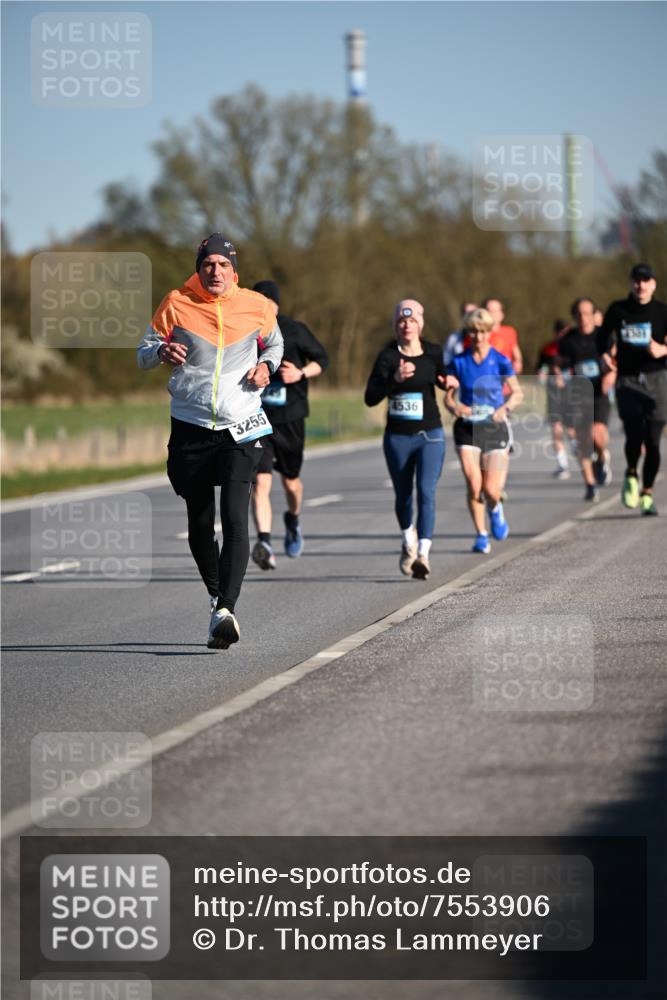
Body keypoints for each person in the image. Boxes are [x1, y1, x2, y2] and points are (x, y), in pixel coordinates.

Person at [137, 233, 283, 648]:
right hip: (191, 424)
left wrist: (267, 366)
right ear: (198, 268)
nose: (214, 271)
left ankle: (226, 610)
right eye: (207, 265)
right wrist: (161, 353)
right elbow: (143, 352)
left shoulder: (256, 305)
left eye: (222, 265)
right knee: (200, 523)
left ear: (234, 270)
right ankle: (216, 597)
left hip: (240, 424)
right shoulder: (176, 303)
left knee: (236, 517)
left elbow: (275, 343)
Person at [365, 299, 450, 579]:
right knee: (403, 495)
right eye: (402, 321)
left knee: (426, 491)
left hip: (430, 434)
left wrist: (450, 382)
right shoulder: (388, 357)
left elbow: (444, 377)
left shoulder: (434, 353)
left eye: (412, 321)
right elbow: (370, 398)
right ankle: (408, 540)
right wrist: (395, 379)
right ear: (395, 326)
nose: (407, 325)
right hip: (398, 438)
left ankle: (423, 554)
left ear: (420, 325)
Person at [250, 280, 329, 569]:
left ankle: (293, 519)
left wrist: (301, 372)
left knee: (291, 483)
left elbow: (323, 360)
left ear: (275, 304)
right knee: (260, 481)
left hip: (291, 418)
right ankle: (265, 543)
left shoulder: (295, 330)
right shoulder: (245, 332)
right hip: (258, 419)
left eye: (264, 302)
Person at [445, 308, 523, 554]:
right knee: (473, 483)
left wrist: (504, 409)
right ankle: (480, 534)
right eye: (473, 332)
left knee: (490, 490)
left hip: (494, 427)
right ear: (468, 333)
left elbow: (517, 393)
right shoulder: (458, 361)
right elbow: (447, 398)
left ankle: (496, 509)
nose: (477, 336)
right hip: (467, 429)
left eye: (482, 331)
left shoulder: (500, 360)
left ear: (490, 332)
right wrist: (456, 407)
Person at [599, 263, 667, 515]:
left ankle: (647, 493)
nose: (641, 285)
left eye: (646, 280)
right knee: (634, 433)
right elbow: (602, 336)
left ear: (653, 284)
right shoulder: (618, 310)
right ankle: (630, 473)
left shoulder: (662, 311)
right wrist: (605, 355)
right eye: (637, 280)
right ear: (631, 283)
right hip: (627, 378)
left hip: (656, 377)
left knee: (653, 441)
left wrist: (662, 350)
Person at [555, 298, 612, 501]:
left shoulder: (603, 336)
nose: (583, 317)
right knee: (582, 441)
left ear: (593, 314)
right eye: (579, 314)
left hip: (599, 392)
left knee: (597, 434)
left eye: (587, 313)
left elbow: (615, 359)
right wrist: (559, 374)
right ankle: (589, 484)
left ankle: (602, 457)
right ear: (575, 316)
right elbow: (559, 362)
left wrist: (610, 376)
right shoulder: (567, 339)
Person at [536, 318, 574, 480]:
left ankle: (583, 454)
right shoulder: (548, 349)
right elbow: (540, 368)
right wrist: (543, 373)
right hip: (554, 395)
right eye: (561, 333)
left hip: (573, 393)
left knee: (572, 431)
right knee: (556, 429)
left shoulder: (575, 347)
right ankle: (562, 465)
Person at [482, 296, 523, 373]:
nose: (492, 314)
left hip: (506, 379)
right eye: (489, 310)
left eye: (495, 311)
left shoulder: (510, 331)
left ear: (502, 314)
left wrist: (518, 362)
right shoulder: (479, 334)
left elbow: (515, 352)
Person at [443, 301, 477, 366]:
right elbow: (446, 360)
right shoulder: (453, 338)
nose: (469, 316)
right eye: (466, 313)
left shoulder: (489, 337)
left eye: (473, 313)